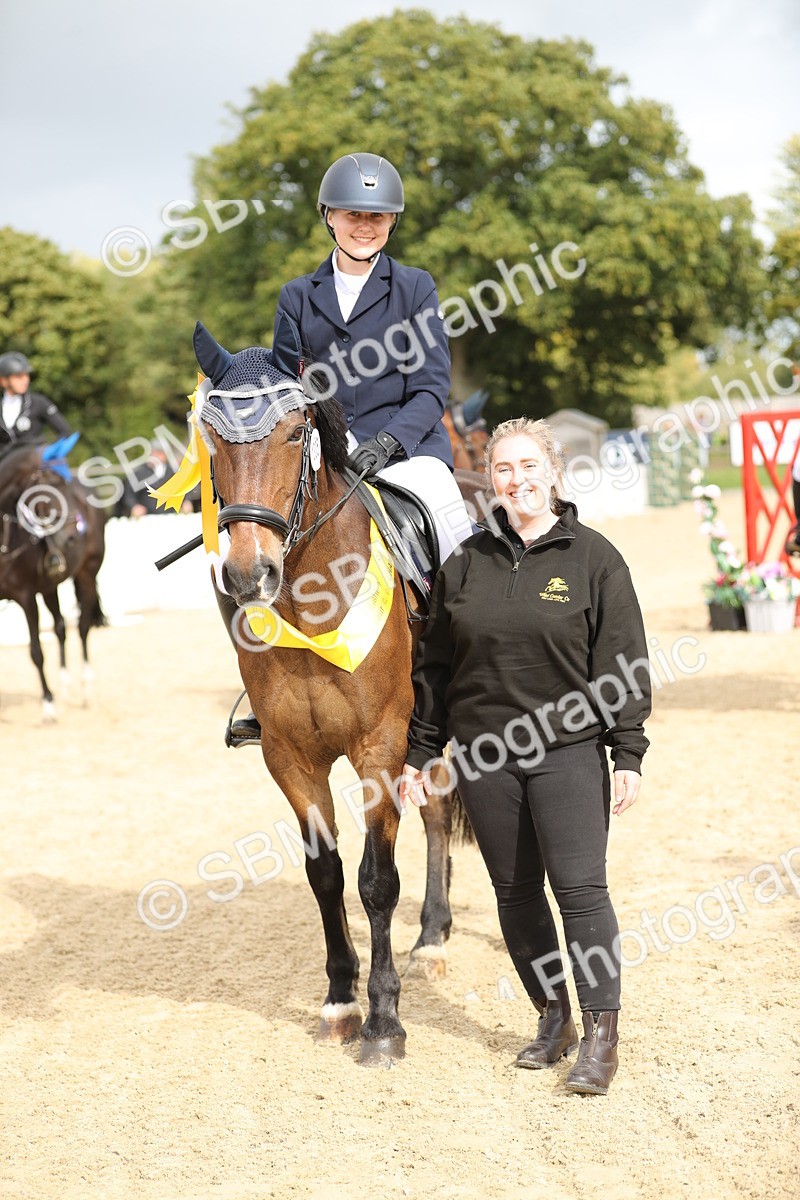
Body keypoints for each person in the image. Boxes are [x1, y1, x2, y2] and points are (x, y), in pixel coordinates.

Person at [399, 417, 651, 1096]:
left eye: (529, 466)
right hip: (485, 757)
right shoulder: (466, 563)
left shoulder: (594, 559)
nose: (518, 479)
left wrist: (627, 750)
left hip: (567, 752)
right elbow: (435, 669)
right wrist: (421, 754)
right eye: (505, 469)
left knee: (580, 892)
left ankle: (602, 1032)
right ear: (494, 482)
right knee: (514, 894)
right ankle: (553, 1016)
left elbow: (624, 664)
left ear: (552, 471)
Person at [224, 151, 473, 745]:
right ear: (328, 217)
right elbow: (287, 383)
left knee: (449, 524)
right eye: (352, 214)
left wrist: (387, 443)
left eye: (378, 217)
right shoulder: (297, 295)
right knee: (254, 533)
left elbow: (432, 385)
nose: (365, 225)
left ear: (391, 224)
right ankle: (266, 689)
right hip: (323, 449)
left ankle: (466, 661)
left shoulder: (414, 287)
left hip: (406, 446)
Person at [0, 351, 71, 452]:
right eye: (18, 376)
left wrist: (48, 453)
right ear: (3, 381)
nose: (25, 380)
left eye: (26, 375)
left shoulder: (39, 402)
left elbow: (64, 431)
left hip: (34, 464)